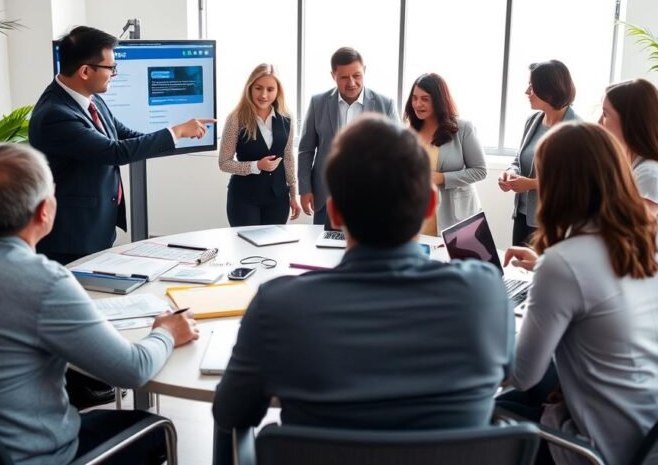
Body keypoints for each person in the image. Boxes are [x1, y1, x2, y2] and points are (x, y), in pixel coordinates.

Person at [213, 115, 513, 465]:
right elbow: (509, 375)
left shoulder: (279, 306)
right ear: (430, 205)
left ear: (335, 214)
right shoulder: (485, 293)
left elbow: (231, 413)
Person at [0, 143, 200, 465]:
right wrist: (166, 332)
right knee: (152, 432)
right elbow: (132, 370)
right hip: (18, 456)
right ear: (44, 211)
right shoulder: (44, 282)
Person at [502, 122, 658, 465]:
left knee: (483, 414)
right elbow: (606, 283)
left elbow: (522, 373)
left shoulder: (563, 263)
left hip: (603, 443)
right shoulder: (653, 233)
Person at [29, 25, 214, 266]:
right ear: (85, 71)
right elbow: (113, 151)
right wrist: (175, 132)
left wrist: (177, 136)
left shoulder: (89, 98)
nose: (114, 74)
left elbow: (123, 135)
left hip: (95, 228)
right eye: (111, 68)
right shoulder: (56, 114)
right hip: (71, 237)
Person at [298, 46, 400, 227]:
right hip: (326, 195)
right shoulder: (317, 103)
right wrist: (305, 189)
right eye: (344, 77)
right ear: (333, 76)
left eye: (357, 75)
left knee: (367, 251)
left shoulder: (386, 104)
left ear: (365, 71)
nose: (351, 82)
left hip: (371, 196)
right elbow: (306, 150)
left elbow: (398, 153)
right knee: (323, 249)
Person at [498, 60, 578, 246]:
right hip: (523, 215)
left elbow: (574, 183)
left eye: (532, 87)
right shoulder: (533, 120)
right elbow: (519, 159)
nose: (527, 92)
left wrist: (531, 184)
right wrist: (511, 173)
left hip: (552, 221)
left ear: (550, 90)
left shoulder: (576, 130)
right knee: (517, 271)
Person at [599, 78, 658, 230]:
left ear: (630, 121)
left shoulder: (650, 174)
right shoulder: (639, 167)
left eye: (605, 114)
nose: (599, 122)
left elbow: (626, 232)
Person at [404, 73, 486, 233]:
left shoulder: (462, 129)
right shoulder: (409, 132)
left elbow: (480, 171)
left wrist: (442, 178)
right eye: (414, 98)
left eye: (425, 99)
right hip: (419, 216)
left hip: (455, 217)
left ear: (439, 100)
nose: (417, 104)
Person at [218, 63, 300, 226]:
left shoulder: (287, 118)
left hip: (278, 199)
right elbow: (224, 163)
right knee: (247, 250)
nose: (263, 95)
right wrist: (256, 166)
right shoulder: (235, 118)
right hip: (244, 199)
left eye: (270, 89)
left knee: (274, 249)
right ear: (250, 88)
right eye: (258, 88)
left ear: (278, 91)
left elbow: (288, 158)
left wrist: (293, 195)